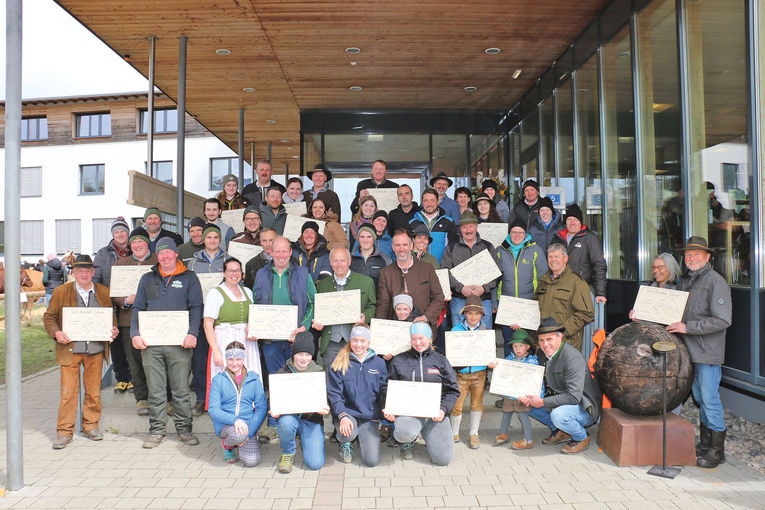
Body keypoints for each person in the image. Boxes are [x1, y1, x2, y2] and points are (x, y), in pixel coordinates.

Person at [130, 237, 203, 448]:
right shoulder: (146, 279)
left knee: (180, 389)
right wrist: (135, 333)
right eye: (161, 252)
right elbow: (137, 307)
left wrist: (192, 333)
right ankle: (157, 430)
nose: (165, 256)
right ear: (157, 255)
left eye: (168, 252)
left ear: (175, 253)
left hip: (179, 343)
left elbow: (196, 307)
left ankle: (184, 429)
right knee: (156, 389)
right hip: (151, 344)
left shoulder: (189, 278)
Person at [668, 236, 732, 468]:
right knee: (699, 397)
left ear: (707, 257)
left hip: (707, 353)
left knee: (709, 398)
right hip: (689, 353)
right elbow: (672, 311)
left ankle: (717, 450)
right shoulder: (685, 281)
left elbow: (723, 320)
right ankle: (706, 444)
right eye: (688, 255)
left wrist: (689, 327)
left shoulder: (715, 282)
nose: (692, 258)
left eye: (697, 254)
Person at [44, 254, 118, 449]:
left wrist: (114, 328)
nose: (84, 274)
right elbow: (49, 317)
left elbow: (110, 317)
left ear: (93, 272)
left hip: (95, 349)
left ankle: (91, 425)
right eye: (80, 271)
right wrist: (56, 332)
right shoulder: (61, 292)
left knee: (93, 391)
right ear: (74, 273)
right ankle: (64, 432)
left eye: (87, 271)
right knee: (68, 392)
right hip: (70, 349)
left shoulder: (103, 291)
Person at [252, 236, 316, 442]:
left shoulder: (303, 273)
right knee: (276, 380)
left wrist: (303, 327)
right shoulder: (262, 274)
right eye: (276, 251)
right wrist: (256, 326)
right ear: (270, 252)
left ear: (291, 253)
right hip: (270, 341)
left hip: (294, 339)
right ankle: (273, 423)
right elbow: (255, 303)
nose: (279, 255)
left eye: (284, 251)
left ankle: (297, 422)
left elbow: (314, 304)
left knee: (297, 379)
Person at [521, 317, 601, 455]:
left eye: (549, 339)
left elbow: (574, 397)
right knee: (525, 403)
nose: (545, 344)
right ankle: (562, 431)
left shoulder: (572, 358)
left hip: (584, 406)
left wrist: (542, 402)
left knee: (558, 415)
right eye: (541, 340)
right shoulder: (542, 353)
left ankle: (581, 437)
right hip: (559, 399)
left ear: (560, 337)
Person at [384, 321, 460, 465]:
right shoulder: (399, 360)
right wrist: (388, 407)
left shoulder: (441, 360)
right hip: (408, 414)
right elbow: (387, 388)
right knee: (403, 433)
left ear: (430, 338)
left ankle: (427, 433)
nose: (418, 342)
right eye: (414, 338)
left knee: (443, 459)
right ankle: (409, 440)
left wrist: (443, 410)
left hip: (434, 415)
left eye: (421, 338)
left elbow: (453, 390)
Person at [111, 227, 157, 416]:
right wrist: (125, 300)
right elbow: (113, 295)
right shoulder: (120, 264)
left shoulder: (158, 260)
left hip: (155, 319)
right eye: (134, 242)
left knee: (157, 361)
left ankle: (163, 397)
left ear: (148, 243)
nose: (137, 245)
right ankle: (142, 399)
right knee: (134, 361)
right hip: (129, 320)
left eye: (141, 241)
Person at [327, 324, 387, 466]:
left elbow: (384, 389)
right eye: (354, 340)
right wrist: (342, 415)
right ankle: (345, 442)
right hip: (348, 413)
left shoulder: (379, 363)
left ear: (368, 342)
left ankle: (364, 434)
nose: (358, 344)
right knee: (347, 432)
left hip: (369, 416)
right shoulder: (339, 362)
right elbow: (334, 393)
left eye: (362, 341)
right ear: (350, 341)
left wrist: (385, 407)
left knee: (371, 461)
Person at [271, 332, 329, 474]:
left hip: (312, 419)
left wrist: (327, 408)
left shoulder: (319, 373)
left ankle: (305, 441)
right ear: (293, 354)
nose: (304, 359)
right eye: (300, 354)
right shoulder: (282, 373)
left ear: (312, 355)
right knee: (286, 424)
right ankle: (288, 452)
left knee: (315, 464)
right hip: (290, 418)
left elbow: (327, 398)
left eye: (308, 355)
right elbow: (273, 400)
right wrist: (274, 410)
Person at [203, 257, 261, 385]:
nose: (234, 274)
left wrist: (251, 328)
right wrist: (216, 352)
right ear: (224, 273)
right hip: (224, 340)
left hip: (246, 341)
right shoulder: (215, 294)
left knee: (249, 375)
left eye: (238, 271)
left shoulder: (247, 292)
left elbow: (254, 317)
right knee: (226, 378)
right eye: (230, 271)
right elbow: (208, 325)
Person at [208, 341, 267, 467]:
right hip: (226, 424)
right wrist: (234, 420)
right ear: (226, 359)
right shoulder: (218, 380)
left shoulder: (253, 378)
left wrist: (249, 432)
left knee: (252, 461)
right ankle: (228, 445)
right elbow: (213, 409)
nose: (234, 363)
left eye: (238, 359)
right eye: (230, 359)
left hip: (247, 426)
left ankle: (244, 440)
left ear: (243, 358)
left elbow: (261, 408)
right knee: (239, 435)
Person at [449, 295, 497, 449]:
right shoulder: (456, 330)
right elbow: (452, 352)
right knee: (457, 404)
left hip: (479, 374)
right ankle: (454, 432)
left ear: (482, 315)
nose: (473, 317)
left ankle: (474, 433)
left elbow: (490, 353)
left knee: (476, 404)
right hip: (461, 373)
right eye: (470, 313)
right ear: (464, 314)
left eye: (477, 314)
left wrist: (491, 362)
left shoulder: (485, 332)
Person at [315, 247, 376, 367]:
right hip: (331, 342)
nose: (339, 265)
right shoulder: (322, 285)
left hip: (356, 341)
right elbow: (318, 310)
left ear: (349, 261)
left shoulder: (366, 282)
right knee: (332, 379)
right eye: (335, 261)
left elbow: (373, 306)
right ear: (330, 262)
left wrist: (365, 317)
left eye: (342, 260)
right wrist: (318, 321)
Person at [496, 219, 548, 356]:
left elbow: (543, 278)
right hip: (507, 306)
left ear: (526, 234)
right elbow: (494, 280)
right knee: (510, 341)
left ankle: (528, 374)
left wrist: (541, 302)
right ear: (509, 233)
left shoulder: (535, 250)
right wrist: (496, 302)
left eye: (521, 232)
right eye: (514, 232)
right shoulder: (500, 251)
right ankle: (509, 372)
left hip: (529, 305)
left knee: (528, 342)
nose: (517, 235)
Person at [92, 216, 132, 393]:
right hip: (112, 303)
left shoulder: (136, 248)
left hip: (133, 301)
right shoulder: (103, 253)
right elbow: (96, 279)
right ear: (113, 235)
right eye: (117, 231)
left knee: (132, 340)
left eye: (123, 230)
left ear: (128, 233)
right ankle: (122, 377)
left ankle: (135, 378)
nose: (120, 234)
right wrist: (102, 300)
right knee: (115, 342)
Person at [441, 211, 499, 328]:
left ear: (476, 227)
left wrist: (484, 288)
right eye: (464, 227)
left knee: (484, 337)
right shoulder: (451, 247)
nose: (468, 230)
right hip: (459, 300)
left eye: (471, 226)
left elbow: (498, 273)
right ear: (460, 229)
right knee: (459, 337)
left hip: (483, 300)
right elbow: (445, 271)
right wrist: (461, 288)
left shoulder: (488, 246)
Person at [376, 229, 444, 325]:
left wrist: (426, 317)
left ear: (411, 245)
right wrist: (379, 328)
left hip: (423, 327)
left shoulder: (427, 268)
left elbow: (438, 297)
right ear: (393, 247)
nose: (401, 249)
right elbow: (383, 305)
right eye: (397, 245)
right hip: (396, 329)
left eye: (405, 245)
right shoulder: (386, 273)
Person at [534, 243, 594, 350]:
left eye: (557, 256)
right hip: (544, 345)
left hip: (566, 344)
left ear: (566, 258)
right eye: (550, 257)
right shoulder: (544, 280)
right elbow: (534, 308)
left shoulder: (576, 282)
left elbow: (586, 313)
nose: (553, 260)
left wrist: (563, 332)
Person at [550, 203, 607, 305]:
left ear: (580, 222)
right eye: (569, 219)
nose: (572, 223)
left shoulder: (590, 239)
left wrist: (600, 292)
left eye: (575, 220)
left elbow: (599, 265)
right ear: (565, 222)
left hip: (581, 290)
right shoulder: (557, 238)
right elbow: (550, 263)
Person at [495, 328, 542, 450]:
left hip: (523, 396)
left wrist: (538, 394)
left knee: (523, 415)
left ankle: (529, 439)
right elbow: (503, 374)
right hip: (510, 394)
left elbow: (536, 379)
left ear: (527, 347)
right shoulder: (509, 359)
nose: (518, 349)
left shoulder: (532, 361)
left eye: (521, 345)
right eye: (515, 346)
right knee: (506, 412)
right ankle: (503, 433)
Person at [410, 188, 458, 264]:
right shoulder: (413, 222)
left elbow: (454, 248)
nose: (429, 204)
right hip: (418, 270)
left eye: (432, 200)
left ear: (437, 202)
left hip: (441, 268)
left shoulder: (448, 222)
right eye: (426, 201)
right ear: (422, 202)